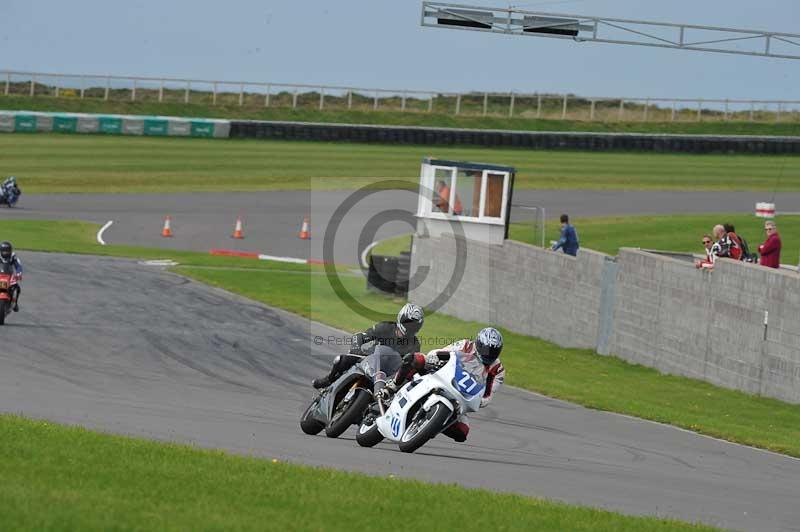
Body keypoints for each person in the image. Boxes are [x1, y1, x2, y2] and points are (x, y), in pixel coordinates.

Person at [381, 327, 506, 443]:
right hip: (442, 374)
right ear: (478, 343)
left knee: (462, 432)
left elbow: (488, 395)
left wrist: (478, 401)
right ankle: (394, 386)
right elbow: (443, 352)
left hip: (460, 396)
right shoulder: (466, 345)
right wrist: (434, 357)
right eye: (485, 349)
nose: (488, 354)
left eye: (493, 351)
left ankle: (430, 425)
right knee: (415, 359)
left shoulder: (498, 370)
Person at [311, 303, 424, 389]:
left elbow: (409, 366)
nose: (410, 327)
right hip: (368, 360)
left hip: (386, 376)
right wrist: (356, 348)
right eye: (408, 322)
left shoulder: (414, 345)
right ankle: (329, 379)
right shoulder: (386, 327)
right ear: (401, 318)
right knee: (342, 360)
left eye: (414, 325)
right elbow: (360, 336)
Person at [0, 241, 23, 311]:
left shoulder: (13, 256)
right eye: (4, 251)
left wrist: (19, 272)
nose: (5, 253)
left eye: (7, 251)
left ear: (10, 251)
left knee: (17, 288)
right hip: (0, 275)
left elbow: (18, 265)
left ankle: (15, 303)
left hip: (9, 275)